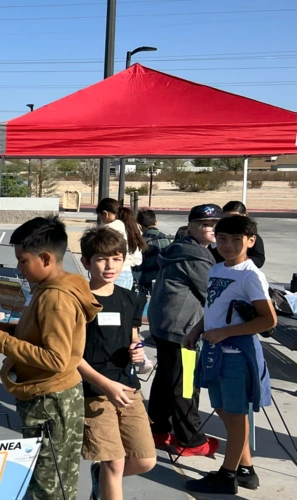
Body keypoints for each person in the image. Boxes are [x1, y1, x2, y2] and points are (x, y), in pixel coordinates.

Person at [0, 215, 100, 500]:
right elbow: (43, 335)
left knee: (48, 485)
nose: (19, 268)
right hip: (51, 398)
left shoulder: (54, 298)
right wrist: (8, 329)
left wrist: (0, 340)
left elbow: (56, 358)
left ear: (45, 258)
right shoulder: (51, 288)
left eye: (23, 261)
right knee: (51, 477)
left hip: (50, 401)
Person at [183, 215, 276, 494]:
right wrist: (197, 329)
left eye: (237, 240)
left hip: (236, 354)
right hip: (215, 351)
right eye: (222, 239)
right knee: (223, 408)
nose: (228, 245)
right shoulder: (217, 269)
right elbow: (213, 307)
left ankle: (227, 474)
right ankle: (245, 468)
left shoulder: (250, 275)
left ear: (250, 241)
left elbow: (268, 320)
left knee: (236, 416)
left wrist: (226, 332)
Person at [77, 227, 156, 500]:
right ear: (86, 262)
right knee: (115, 461)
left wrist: (138, 351)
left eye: (116, 258)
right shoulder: (78, 299)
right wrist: (105, 384)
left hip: (128, 388)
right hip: (94, 391)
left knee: (145, 460)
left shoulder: (129, 298)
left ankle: (99, 477)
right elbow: (71, 355)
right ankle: (106, 483)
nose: (110, 265)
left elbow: (133, 337)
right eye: (101, 259)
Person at [147, 204, 223, 457]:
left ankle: (158, 429)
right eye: (206, 224)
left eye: (216, 224)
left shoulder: (180, 249)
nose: (213, 229)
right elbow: (213, 294)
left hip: (165, 325)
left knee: (165, 380)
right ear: (191, 226)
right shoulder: (196, 256)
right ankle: (190, 440)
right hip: (183, 331)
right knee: (186, 385)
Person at [95, 198, 145, 291]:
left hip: (111, 274)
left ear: (105, 213)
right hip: (128, 275)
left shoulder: (108, 229)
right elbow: (137, 260)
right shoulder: (132, 227)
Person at [211, 201, 265, 268]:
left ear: (245, 215)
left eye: (236, 239)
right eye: (227, 218)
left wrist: (237, 261)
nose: (231, 221)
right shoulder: (216, 233)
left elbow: (259, 259)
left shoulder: (249, 235)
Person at [136, 209, 172, 305]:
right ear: (156, 222)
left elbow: (138, 265)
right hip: (162, 280)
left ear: (139, 225)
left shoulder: (141, 241)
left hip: (146, 282)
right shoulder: (166, 239)